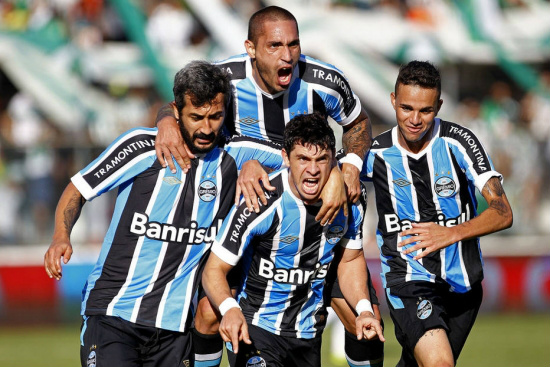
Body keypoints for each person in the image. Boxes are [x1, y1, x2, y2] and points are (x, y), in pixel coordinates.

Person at [153, 6, 382, 367]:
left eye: (293, 44)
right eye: (274, 46)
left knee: (361, 319)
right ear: (251, 48)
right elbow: (182, 106)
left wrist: (348, 168)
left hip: (314, 210)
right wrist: (165, 121)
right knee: (210, 313)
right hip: (249, 212)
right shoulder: (226, 79)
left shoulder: (324, 81)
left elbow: (358, 124)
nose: (287, 55)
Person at [43, 61, 237, 367]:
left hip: (174, 329)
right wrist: (60, 235)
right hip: (113, 315)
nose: (206, 127)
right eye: (196, 117)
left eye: (215, 117)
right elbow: (78, 188)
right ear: (176, 111)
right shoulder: (141, 147)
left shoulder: (231, 164)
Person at [202, 113, 385, 367]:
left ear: (333, 159)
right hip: (256, 330)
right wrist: (229, 309)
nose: (312, 170)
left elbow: (350, 260)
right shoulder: (261, 201)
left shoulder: (351, 200)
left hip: (307, 334)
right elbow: (213, 270)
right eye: (303, 159)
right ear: (286, 158)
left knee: (372, 325)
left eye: (321, 160)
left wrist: (364, 309)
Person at [362, 60, 513, 367]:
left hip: (463, 286)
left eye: (425, 110)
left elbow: (503, 212)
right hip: (409, 279)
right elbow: (323, 175)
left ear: (439, 106)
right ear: (392, 100)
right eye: (406, 108)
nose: (414, 119)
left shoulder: (459, 142)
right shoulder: (374, 153)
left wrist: (451, 233)